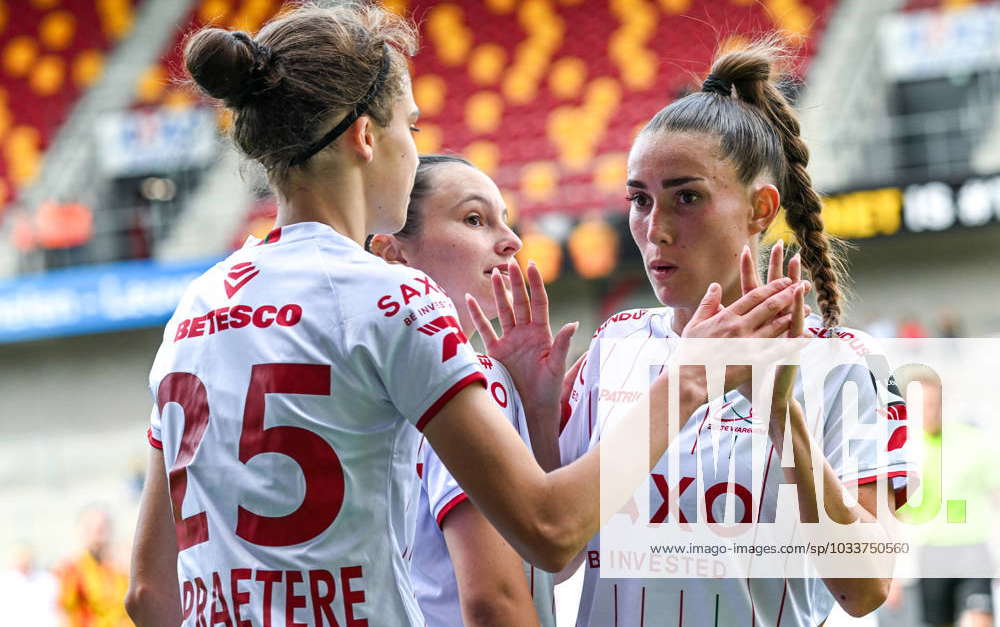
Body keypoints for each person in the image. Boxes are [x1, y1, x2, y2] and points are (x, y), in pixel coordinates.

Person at [125, 6, 805, 626]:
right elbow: (546, 529)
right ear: (366, 137)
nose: (415, 147)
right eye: (412, 126)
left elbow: (149, 593)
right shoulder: (392, 297)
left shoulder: (196, 305)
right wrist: (689, 380)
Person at [554, 38, 918, 626]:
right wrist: (530, 403)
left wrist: (781, 415)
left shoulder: (849, 363)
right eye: (639, 200)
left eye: (687, 197)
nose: (655, 230)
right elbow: (555, 552)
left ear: (760, 208)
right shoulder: (613, 345)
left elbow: (867, 589)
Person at [56, 506, 130, 627]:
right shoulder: (72, 569)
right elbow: (63, 613)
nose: (98, 535)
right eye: (91, 529)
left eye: (102, 529)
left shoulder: (121, 569)